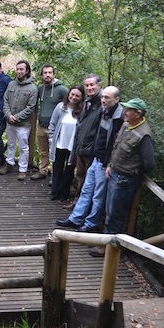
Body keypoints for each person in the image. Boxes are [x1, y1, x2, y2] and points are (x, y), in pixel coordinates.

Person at [89, 98, 155, 257]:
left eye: (128, 110)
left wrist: (131, 171)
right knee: (109, 209)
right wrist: (111, 165)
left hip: (125, 180)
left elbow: (149, 164)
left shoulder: (144, 134)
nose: (124, 112)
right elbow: (116, 146)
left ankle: (108, 247)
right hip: (114, 174)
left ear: (138, 113)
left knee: (115, 214)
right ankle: (106, 242)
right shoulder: (127, 125)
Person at [56, 86, 124, 232]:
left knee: (98, 196)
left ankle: (91, 224)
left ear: (117, 99)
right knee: (87, 190)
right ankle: (76, 219)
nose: (104, 100)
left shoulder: (119, 118)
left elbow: (116, 145)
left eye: (107, 98)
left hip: (105, 163)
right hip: (96, 158)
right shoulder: (104, 112)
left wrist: (109, 164)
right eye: (103, 97)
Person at [65, 73, 103, 211]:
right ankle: (77, 202)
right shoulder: (87, 101)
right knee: (80, 176)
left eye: (92, 84)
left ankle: (84, 208)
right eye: (87, 85)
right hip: (81, 147)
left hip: (91, 150)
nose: (89, 87)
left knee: (89, 181)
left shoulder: (102, 103)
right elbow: (81, 125)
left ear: (99, 85)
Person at [0, 60, 38, 181]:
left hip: (23, 124)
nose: (19, 71)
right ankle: (9, 164)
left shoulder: (32, 88)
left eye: (21, 69)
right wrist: (8, 115)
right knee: (10, 144)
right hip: (10, 121)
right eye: (18, 69)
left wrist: (16, 117)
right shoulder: (11, 84)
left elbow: (30, 107)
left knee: (23, 147)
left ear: (27, 71)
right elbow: (5, 100)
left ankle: (22, 169)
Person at [32, 64, 69, 181]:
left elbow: (70, 105)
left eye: (49, 72)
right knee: (44, 151)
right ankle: (43, 171)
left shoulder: (62, 89)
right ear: (42, 75)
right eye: (45, 73)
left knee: (56, 152)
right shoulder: (40, 89)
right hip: (42, 125)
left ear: (54, 74)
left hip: (56, 128)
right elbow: (34, 104)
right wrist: (37, 114)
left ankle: (55, 175)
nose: (47, 75)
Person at [48, 86, 84, 202]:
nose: (73, 97)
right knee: (57, 168)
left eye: (77, 95)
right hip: (59, 143)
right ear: (68, 94)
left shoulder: (82, 111)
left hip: (72, 146)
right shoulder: (60, 107)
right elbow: (52, 124)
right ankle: (54, 192)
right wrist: (51, 139)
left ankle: (64, 193)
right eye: (72, 94)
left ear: (81, 97)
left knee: (69, 169)